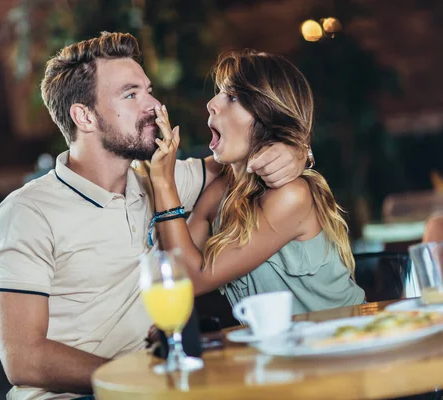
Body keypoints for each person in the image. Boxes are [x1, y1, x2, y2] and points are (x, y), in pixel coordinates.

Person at [0, 34, 306, 399]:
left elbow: (240, 158)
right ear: (84, 116)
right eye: (131, 94)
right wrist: (137, 380)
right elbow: (23, 358)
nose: (154, 104)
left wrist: (294, 148)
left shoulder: (156, 179)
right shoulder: (27, 213)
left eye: (148, 90)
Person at [149, 49, 365, 315]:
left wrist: (163, 183)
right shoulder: (220, 192)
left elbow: (192, 279)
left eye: (233, 97)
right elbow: (174, 266)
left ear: (267, 115)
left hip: (344, 342)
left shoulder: (291, 195)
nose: (211, 104)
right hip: (281, 352)